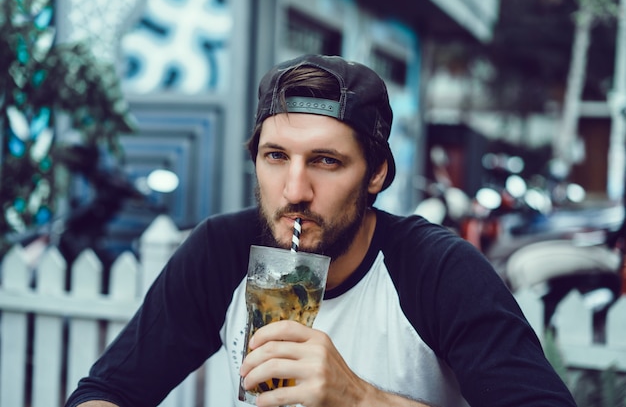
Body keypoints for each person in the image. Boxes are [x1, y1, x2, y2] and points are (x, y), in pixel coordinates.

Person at [65, 54, 576, 407]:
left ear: (376, 173)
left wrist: (357, 396)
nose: (294, 191)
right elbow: (105, 391)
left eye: (326, 161)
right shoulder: (223, 250)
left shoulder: (436, 270)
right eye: (276, 157)